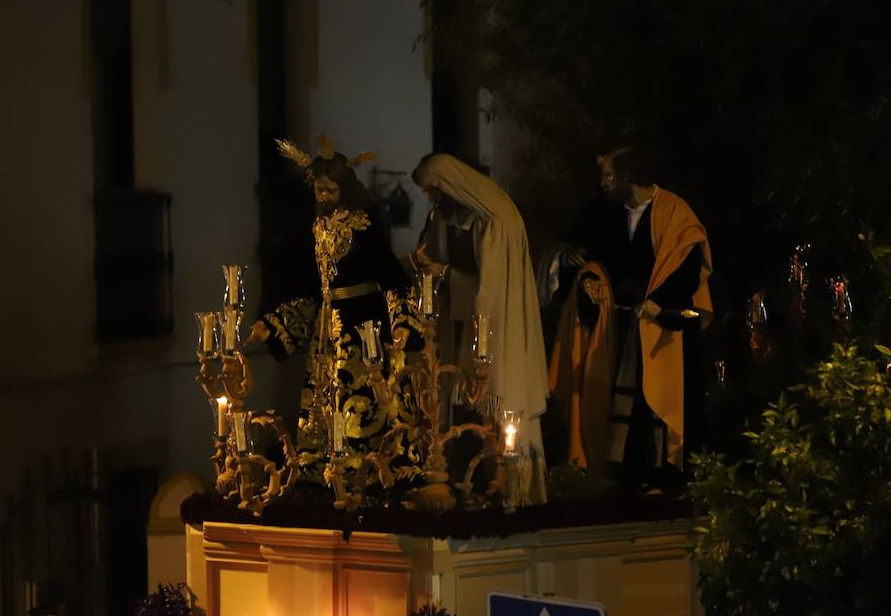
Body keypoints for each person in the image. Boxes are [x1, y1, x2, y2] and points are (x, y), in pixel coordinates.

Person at [551, 146, 713, 488]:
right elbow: (598, 261)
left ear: (628, 178)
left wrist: (659, 301)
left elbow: (687, 265)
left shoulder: (673, 212)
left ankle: (670, 479)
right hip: (626, 324)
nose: (604, 184)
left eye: (610, 176)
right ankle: (630, 477)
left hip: (666, 326)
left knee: (661, 404)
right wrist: (591, 280)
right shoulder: (611, 215)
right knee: (627, 400)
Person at [249, 134, 411, 467]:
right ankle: (323, 468)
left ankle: (364, 466)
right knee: (324, 399)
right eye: (319, 190)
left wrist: (403, 323)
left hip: (363, 325)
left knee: (360, 400)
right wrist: (274, 324)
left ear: (345, 190)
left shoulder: (365, 228)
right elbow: (310, 287)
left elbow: (393, 277)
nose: (322, 196)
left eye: (330, 191)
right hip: (328, 329)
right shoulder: (318, 228)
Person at [411, 153, 550, 503]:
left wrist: (442, 273)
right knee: (475, 411)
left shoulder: (497, 221)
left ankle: (511, 487)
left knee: (500, 404)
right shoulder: (469, 215)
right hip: (473, 329)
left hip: (496, 331)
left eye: (432, 190)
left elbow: (489, 291)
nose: (430, 198)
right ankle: (482, 482)